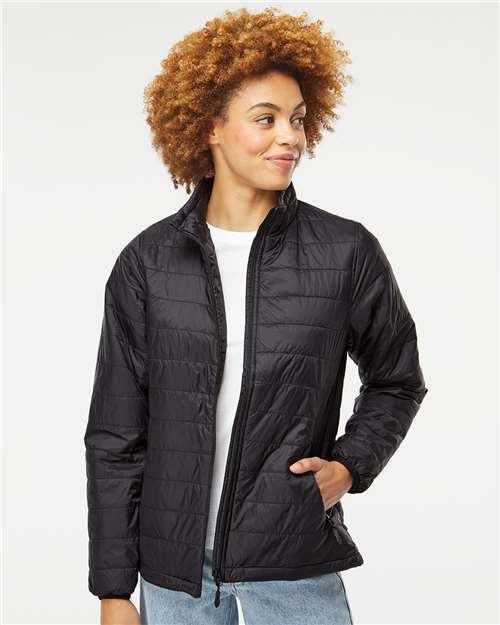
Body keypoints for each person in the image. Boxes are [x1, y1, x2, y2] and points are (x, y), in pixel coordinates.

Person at [84, 7, 428, 625]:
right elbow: (116, 437)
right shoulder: (148, 263)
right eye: (266, 119)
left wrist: (349, 466)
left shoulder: (345, 252)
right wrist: (113, 591)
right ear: (210, 126)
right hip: (174, 577)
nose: (289, 137)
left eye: (298, 119)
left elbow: (397, 380)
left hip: (294, 563)